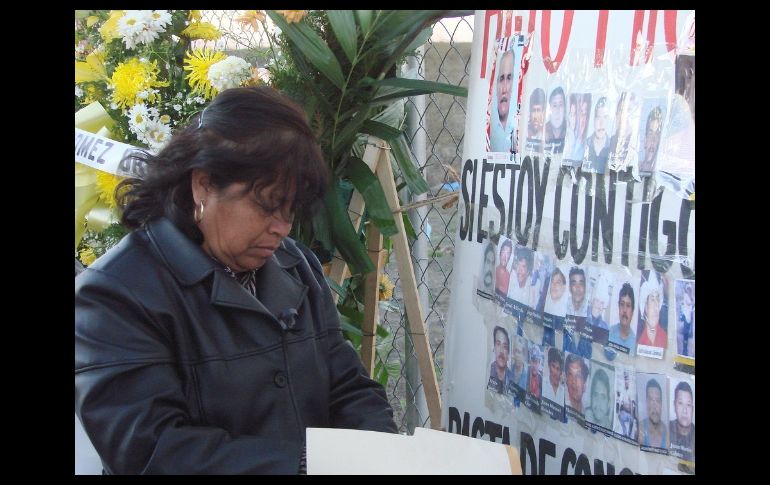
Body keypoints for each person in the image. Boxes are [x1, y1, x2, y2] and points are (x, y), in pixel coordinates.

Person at [75, 86, 397, 474]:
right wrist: (305, 465)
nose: (281, 228)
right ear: (203, 184)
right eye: (267, 206)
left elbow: (348, 388)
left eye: (291, 210)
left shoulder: (296, 265)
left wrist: (379, 454)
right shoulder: (117, 293)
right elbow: (150, 451)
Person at [489, 49, 517, 153]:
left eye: (509, 78)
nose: (504, 89)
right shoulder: (487, 130)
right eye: (501, 79)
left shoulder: (521, 128)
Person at [637, 275, 668, 349]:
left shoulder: (665, 338)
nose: (656, 307)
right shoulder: (639, 341)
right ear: (645, 307)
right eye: (653, 300)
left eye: (658, 300)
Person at [668, 381, 695, 461]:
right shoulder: (665, 430)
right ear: (674, 406)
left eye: (688, 405)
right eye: (680, 403)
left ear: (693, 409)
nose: (685, 411)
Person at [608, 283, 637, 355]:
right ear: (618, 307)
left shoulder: (635, 344)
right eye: (622, 304)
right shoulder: (608, 333)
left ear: (632, 311)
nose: (624, 310)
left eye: (628, 305)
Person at [584, 96, 610, 174]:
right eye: (598, 118)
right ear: (593, 120)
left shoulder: (613, 147)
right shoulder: (585, 145)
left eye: (605, 117)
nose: (601, 123)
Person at [640, 378, 667, 449]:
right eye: (651, 400)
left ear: (661, 405)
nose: (654, 406)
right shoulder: (639, 429)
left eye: (657, 400)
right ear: (646, 403)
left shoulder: (668, 433)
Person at [489, 326, 514, 393]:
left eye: (505, 347)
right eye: (498, 344)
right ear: (494, 348)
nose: (501, 351)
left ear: (508, 353)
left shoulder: (512, 378)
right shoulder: (488, 371)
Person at [639, 106, 663, 173]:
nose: (653, 140)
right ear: (645, 140)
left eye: (657, 134)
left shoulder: (662, 174)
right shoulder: (634, 170)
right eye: (650, 133)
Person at [615, 369, 637, 439]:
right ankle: (624, 432)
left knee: (631, 420)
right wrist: (620, 411)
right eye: (625, 379)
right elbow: (620, 402)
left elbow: (632, 404)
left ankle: (629, 434)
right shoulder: (623, 391)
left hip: (630, 414)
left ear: (629, 380)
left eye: (627, 379)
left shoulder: (631, 391)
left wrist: (632, 415)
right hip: (625, 413)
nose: (626, 381)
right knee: (619, 416)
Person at [543, 87, 566, 154]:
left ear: (565, 107)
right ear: (550, 108)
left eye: (561, 105)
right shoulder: (542, 131)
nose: (557, 110)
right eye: (555, 105)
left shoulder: (570, 131)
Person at [677, 282, 695, 357]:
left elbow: (692, 306)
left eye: (690, 289)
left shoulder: (690, 296)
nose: (689, 290)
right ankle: (684, 351)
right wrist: (692, 300)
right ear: (686, 289)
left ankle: (685, 350)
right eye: (688, 289)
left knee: (687, 334)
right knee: (685, 334)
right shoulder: (686, 296)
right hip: (686, 317)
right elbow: (691, 303)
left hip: (689, 317)